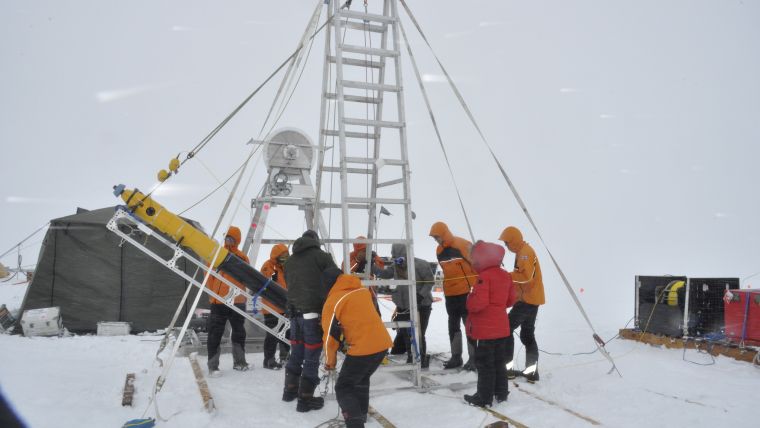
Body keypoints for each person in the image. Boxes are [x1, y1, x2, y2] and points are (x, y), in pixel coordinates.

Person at [322, 269, 392, 428]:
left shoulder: (334, 300)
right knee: (360, 380)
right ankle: (360, 415)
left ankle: (355, 423)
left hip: (363, 349)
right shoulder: (361, 291)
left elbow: (329, 339)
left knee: (344, 387)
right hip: (382, 345)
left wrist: (330, 363)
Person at [282, 230, 339, 412]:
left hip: (294, 314)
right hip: (312, 315)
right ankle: (305, 400)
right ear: (315, 241)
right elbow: (336, 278)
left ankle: (289, 391)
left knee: (296, 353)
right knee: (312, 357)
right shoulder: (321, 257)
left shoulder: (289, 261)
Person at [463, 241, 517, 407]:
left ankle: (484, 397)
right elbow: (511, 300)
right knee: (499, 362)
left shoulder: (484, 277)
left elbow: (477, 304)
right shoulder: (506, 275)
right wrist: (497, 307)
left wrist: (469, 298)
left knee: (485, 364)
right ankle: (501, 393)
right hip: (501, 327)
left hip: (486, 330)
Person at [429, 222, 478, 370]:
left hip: (466, 293)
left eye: (437, 236)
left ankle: (474, 359)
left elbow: (477, 264)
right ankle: (456, 357)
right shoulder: (439, 251)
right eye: (434, 238)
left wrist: (478, 287)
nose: (436, 240)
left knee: (469, 326)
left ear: (444, 233)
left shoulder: (462, 244)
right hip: (450, 294)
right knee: (453, 326)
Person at [376, 243, 434, 368]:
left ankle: (421, 357)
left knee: (418, 332)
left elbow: (429, 281)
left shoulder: (420, 264)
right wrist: (372, 267)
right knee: (405, 332)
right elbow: (385, 274)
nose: (395, 258)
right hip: (403, 306)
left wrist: (420, 295)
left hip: (421, 305)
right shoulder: (396, 266)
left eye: (397, 256)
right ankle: (410, 355)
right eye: (394, 256)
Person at [499, 226, 545, 382]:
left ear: (513, 241)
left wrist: (505, 276)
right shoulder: (522, 251)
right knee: (527, 335)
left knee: (506, 328)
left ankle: (507, 370)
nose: (506, 246)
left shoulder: (525, 253)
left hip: (527, 300)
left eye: (506, 243)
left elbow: (525, 277)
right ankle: (532, 372)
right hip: (531, 299)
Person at [206, 226, 250, 375]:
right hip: (218, 302)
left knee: (239, 332)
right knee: (215, 333)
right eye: (227, 237)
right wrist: (213, 295)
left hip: (238, 301)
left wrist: (243, 296)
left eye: (232, 238)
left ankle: (240, 362)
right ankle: (213, 366)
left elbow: (248, 277)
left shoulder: (243, 257)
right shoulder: (217, 255)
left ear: (237, 240)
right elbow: (208, 275)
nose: (228, 240)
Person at [259, 243, 291, 370]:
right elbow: (263, 283)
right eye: (282, 257)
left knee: (287, 333)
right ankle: (268, 360)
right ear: (276, 257)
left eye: (287, 256)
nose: (285, 259)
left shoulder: (288, 268)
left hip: (285, 306)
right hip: (271, 307)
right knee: (272, 334)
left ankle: (285, 357)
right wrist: (272, 275)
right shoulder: (268, 266)